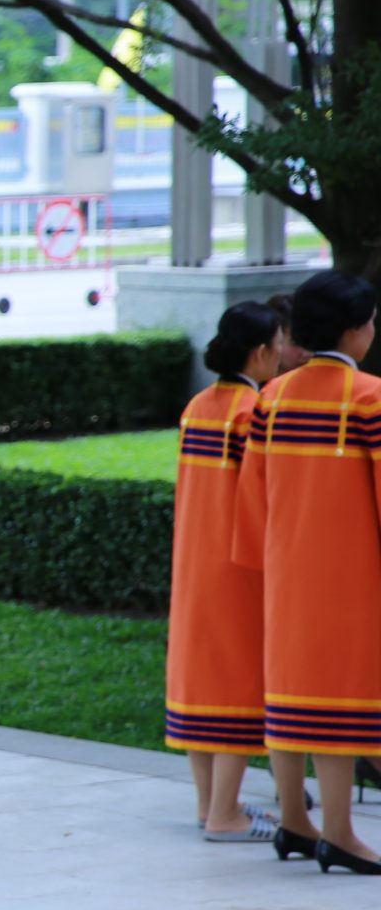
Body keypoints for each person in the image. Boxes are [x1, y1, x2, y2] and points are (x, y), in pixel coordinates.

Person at [235, 269, 381, 874]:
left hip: (287, 572)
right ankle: (340, 833)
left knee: (290, 697)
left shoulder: (272, 398)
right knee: (342, 702)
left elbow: (252, 496)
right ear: (354, 331)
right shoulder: (369, 398)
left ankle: (295, 820)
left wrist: (264, 562)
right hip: (351, 579)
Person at [168, 302, 288, 842]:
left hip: (195, 560)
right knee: (239, 683)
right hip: (240, 565)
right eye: (278, 344)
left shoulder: (198, 406)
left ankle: (211, 805)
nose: (282, 354)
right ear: (260, 352)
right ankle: (225, 815)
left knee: (202, 680)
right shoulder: (255, 411)